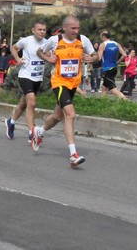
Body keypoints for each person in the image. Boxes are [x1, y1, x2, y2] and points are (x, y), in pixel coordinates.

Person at [31, 16, 97, 168]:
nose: (76, 31)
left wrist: (91, 58)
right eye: (73, 28)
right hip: (59, 82)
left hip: (74, 83)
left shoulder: (83, 40)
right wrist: (48, 58)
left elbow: (96, 55)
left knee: (57, 116)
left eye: (78, 28)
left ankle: (39, 132)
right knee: (70, 114)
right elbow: (40, 51)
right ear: (65, 28)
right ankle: (73, 155)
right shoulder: (55, 40)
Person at [4, 20, 48, 141]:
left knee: (24, 103)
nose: (42, 32)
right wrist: (18, 59)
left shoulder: (47, 43)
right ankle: (32, 132)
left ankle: (11, 122)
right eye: (39, 29)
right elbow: (13, 48)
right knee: (32, 103)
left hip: (38, 77)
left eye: (44, 30)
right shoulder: (26, 41)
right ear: (33, 30)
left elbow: (51, 55)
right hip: (25, 75)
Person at [99, 31, 127, 100]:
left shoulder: (103, 45)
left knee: (113, 89)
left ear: (103, 37)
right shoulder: (116, 44)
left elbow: (99, 57)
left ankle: (126, 101)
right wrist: (117, 62)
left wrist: (91, 59)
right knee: (104, 87)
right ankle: (103, 103)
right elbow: (124, 55)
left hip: (107, 69)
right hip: (114, 68)